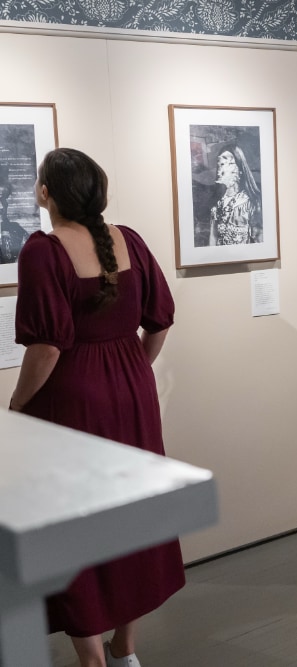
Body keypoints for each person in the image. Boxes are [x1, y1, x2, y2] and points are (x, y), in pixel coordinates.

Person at [9, 148, 183, 666]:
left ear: (46, 193)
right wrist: (131, 370)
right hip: (132, 392)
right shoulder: (129, 240)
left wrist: (16, 406)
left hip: (71, 400)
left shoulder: (43, 251)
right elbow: (160, 320)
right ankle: (125, 650)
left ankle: (92, 659)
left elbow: (47, 348)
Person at [209, 145, 263, 245]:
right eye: (221, 164)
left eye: (230, 163)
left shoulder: (251, 202)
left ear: (240, 170)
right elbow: (213, 238)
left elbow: (259, 240)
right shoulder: (217, 204)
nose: (222, 168)